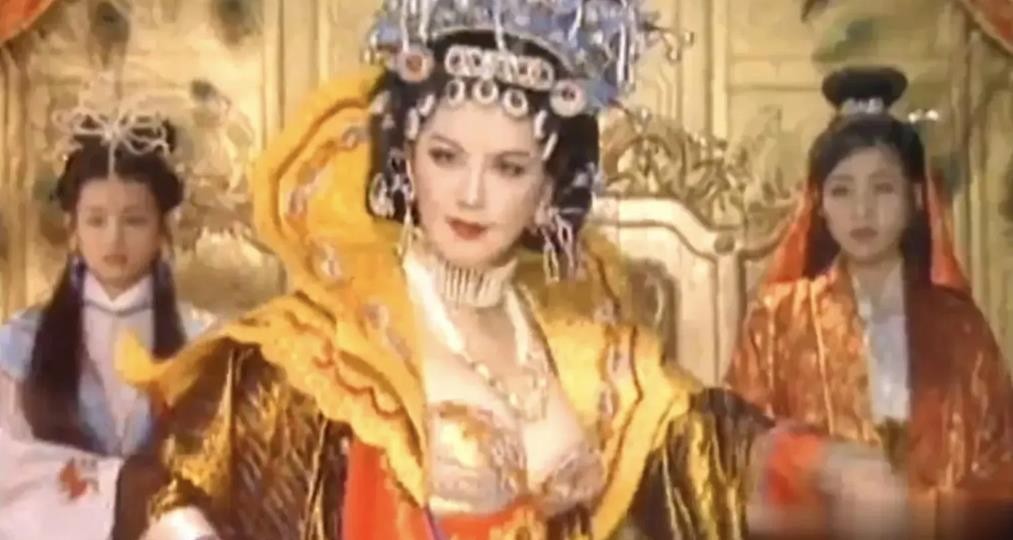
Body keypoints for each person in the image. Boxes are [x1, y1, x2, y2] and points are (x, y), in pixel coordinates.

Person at [115, 3, 910, 539]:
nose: (470, 194)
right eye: (445, 156)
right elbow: (178, 487)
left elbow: (702, 446)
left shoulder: (583, 341)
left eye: (508, 167)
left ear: (548, 188)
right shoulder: (324, 347)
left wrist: (826, 466)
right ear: (404, 161)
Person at [726, 65, 1013, 535]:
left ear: (916, 198)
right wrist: (823, 466)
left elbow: (1003, 465)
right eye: (841, 191)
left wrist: (924, 515)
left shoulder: (962, 327)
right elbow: (735, 451)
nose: (862, 211)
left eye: (882, 188)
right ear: (818, 203)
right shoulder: (778, 319)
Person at [0, 102, 215, 539]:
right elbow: (8, 465)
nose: (113, 238)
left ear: (162, 230)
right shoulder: (20, 343)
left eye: (134, 220)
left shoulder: (204, 341)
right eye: (96, 220)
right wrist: (117, 487)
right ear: (73, 229)